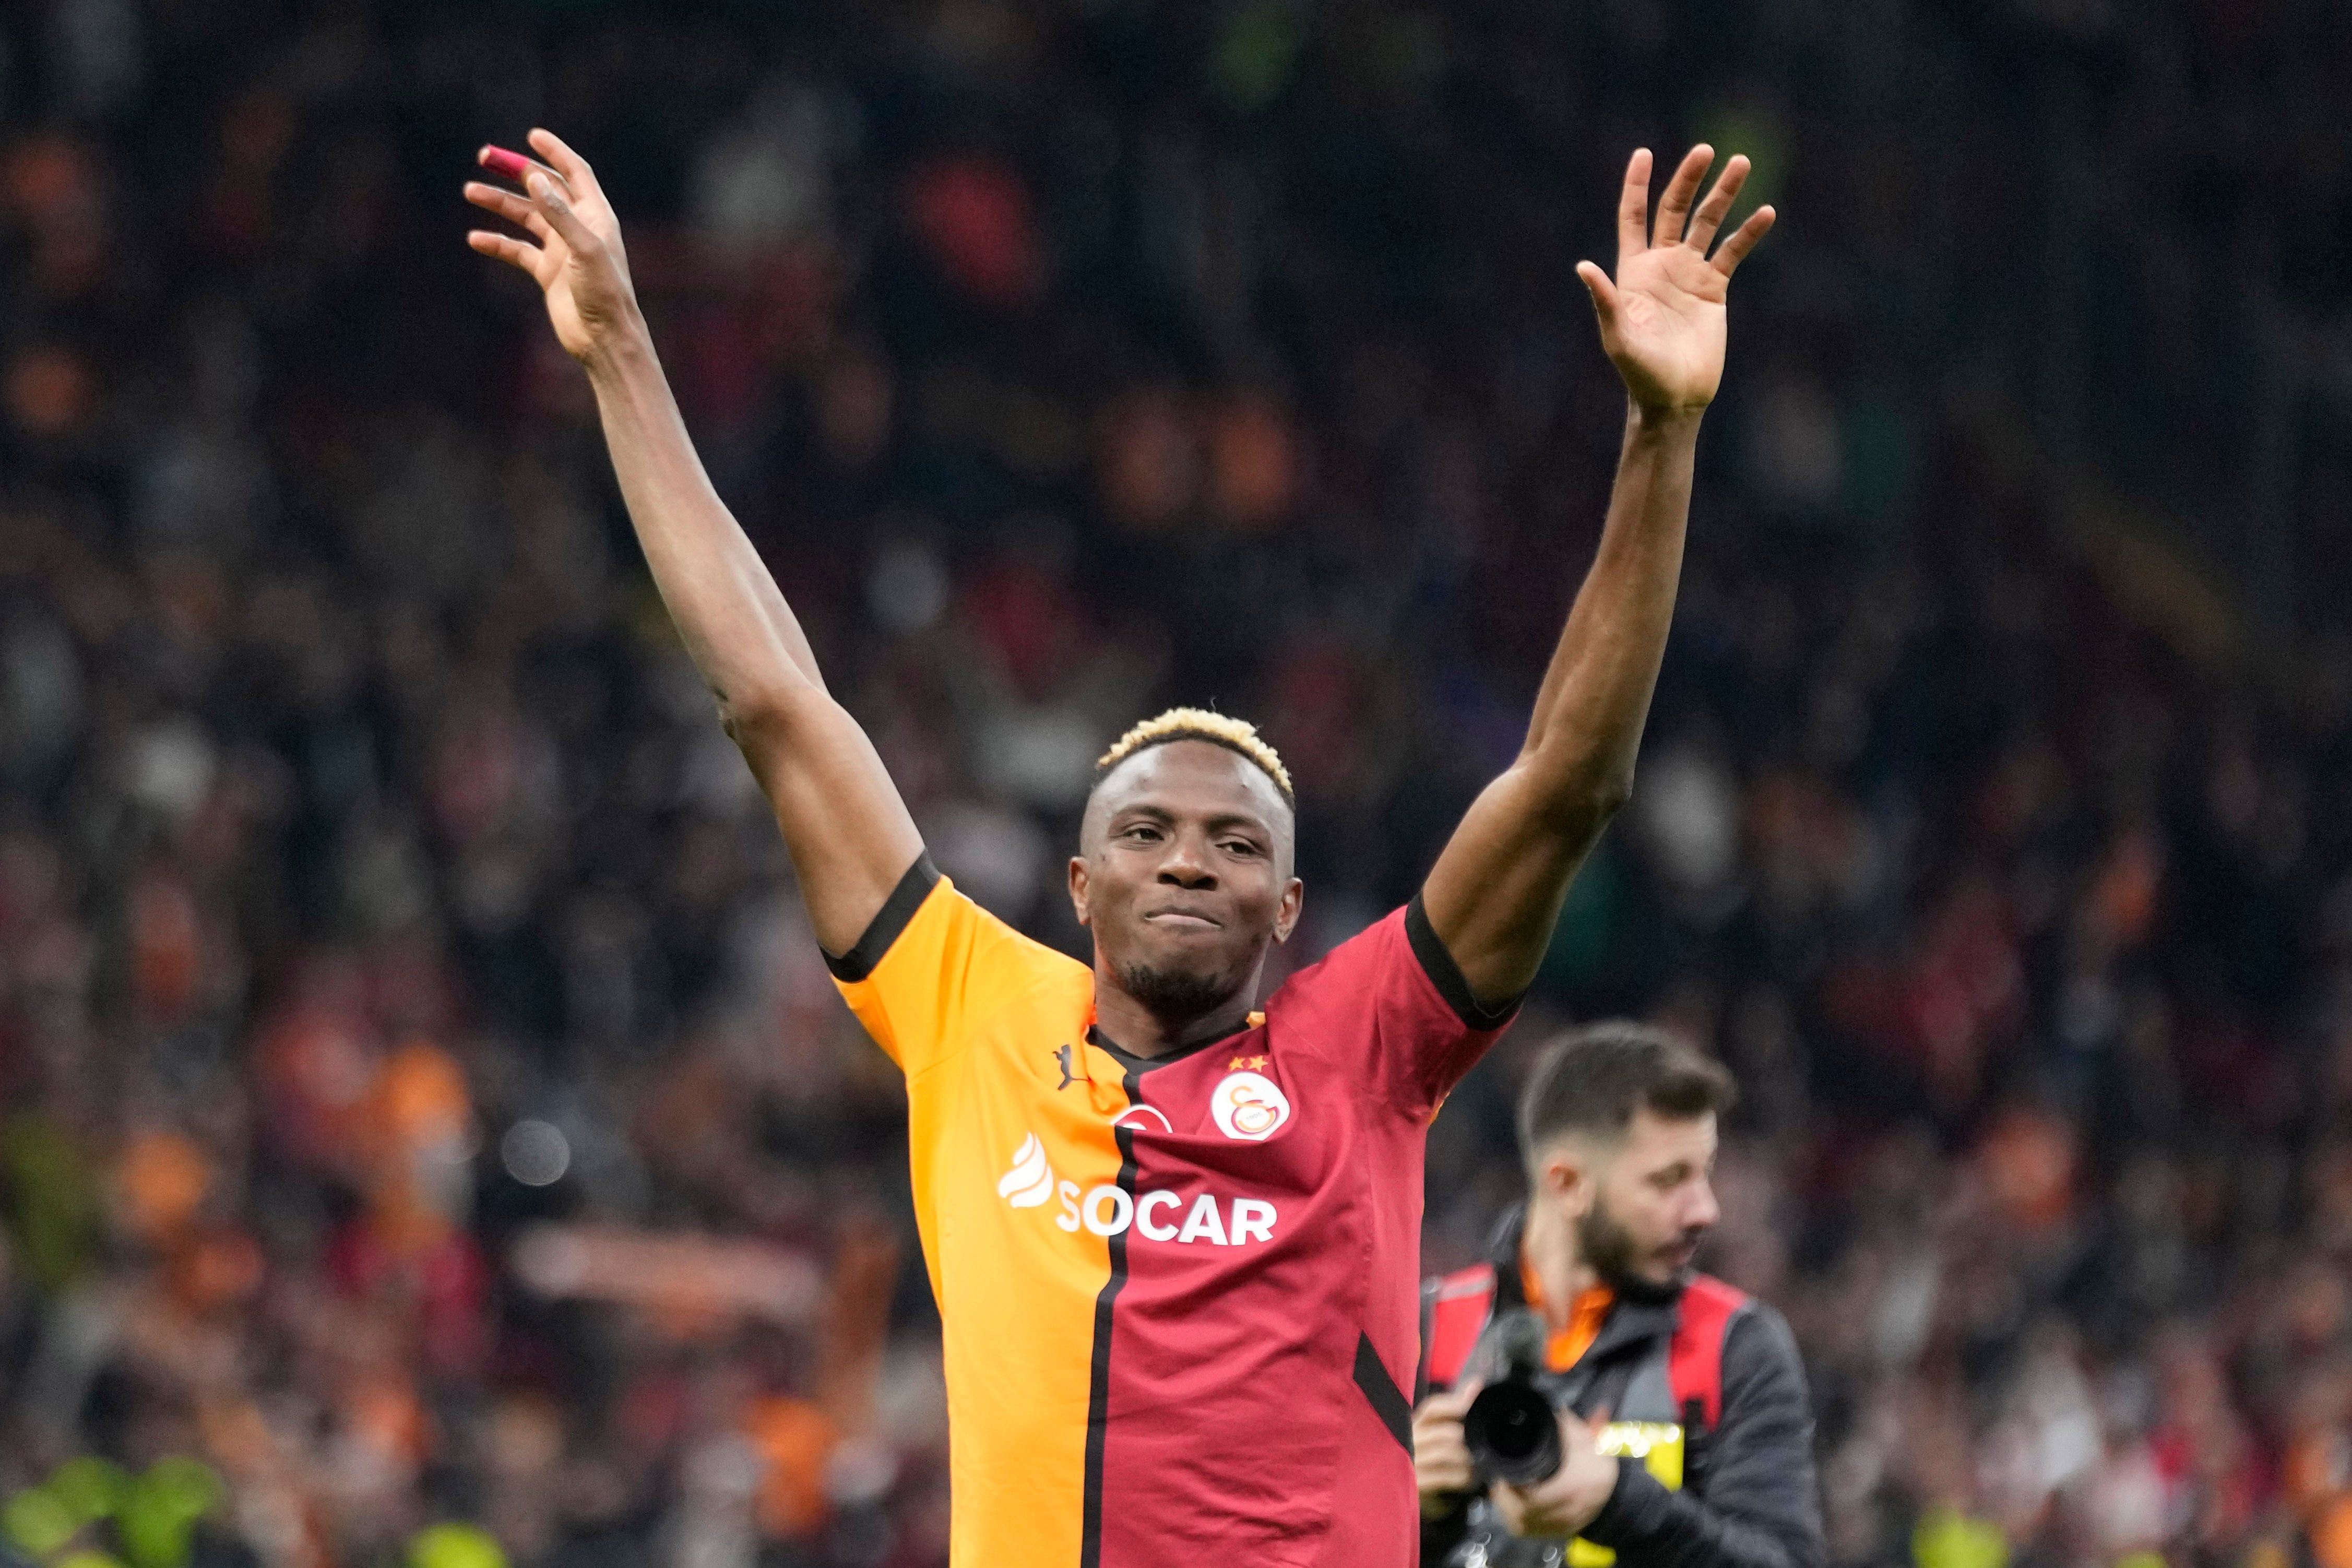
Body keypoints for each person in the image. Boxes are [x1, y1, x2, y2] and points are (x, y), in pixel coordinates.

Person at [461, 129, 1774, 1568]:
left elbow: (1567, 783)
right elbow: (776, 702)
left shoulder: (1367, 1045)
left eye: (1232, 841)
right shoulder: (969, 1004)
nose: (1188, 858)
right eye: (1144, 831)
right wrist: (623, 354)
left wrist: (1661, 434)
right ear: (1081, 886)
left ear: (1288, 903)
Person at [1412, 1024, 1824, 1568]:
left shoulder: (1736, 1348)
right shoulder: (1423, 1330)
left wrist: (1618, 1501)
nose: (1705, 1210)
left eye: (1705, 1173)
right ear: (1567, 1184)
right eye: (1668, 1180)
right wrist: (1416, 1513)